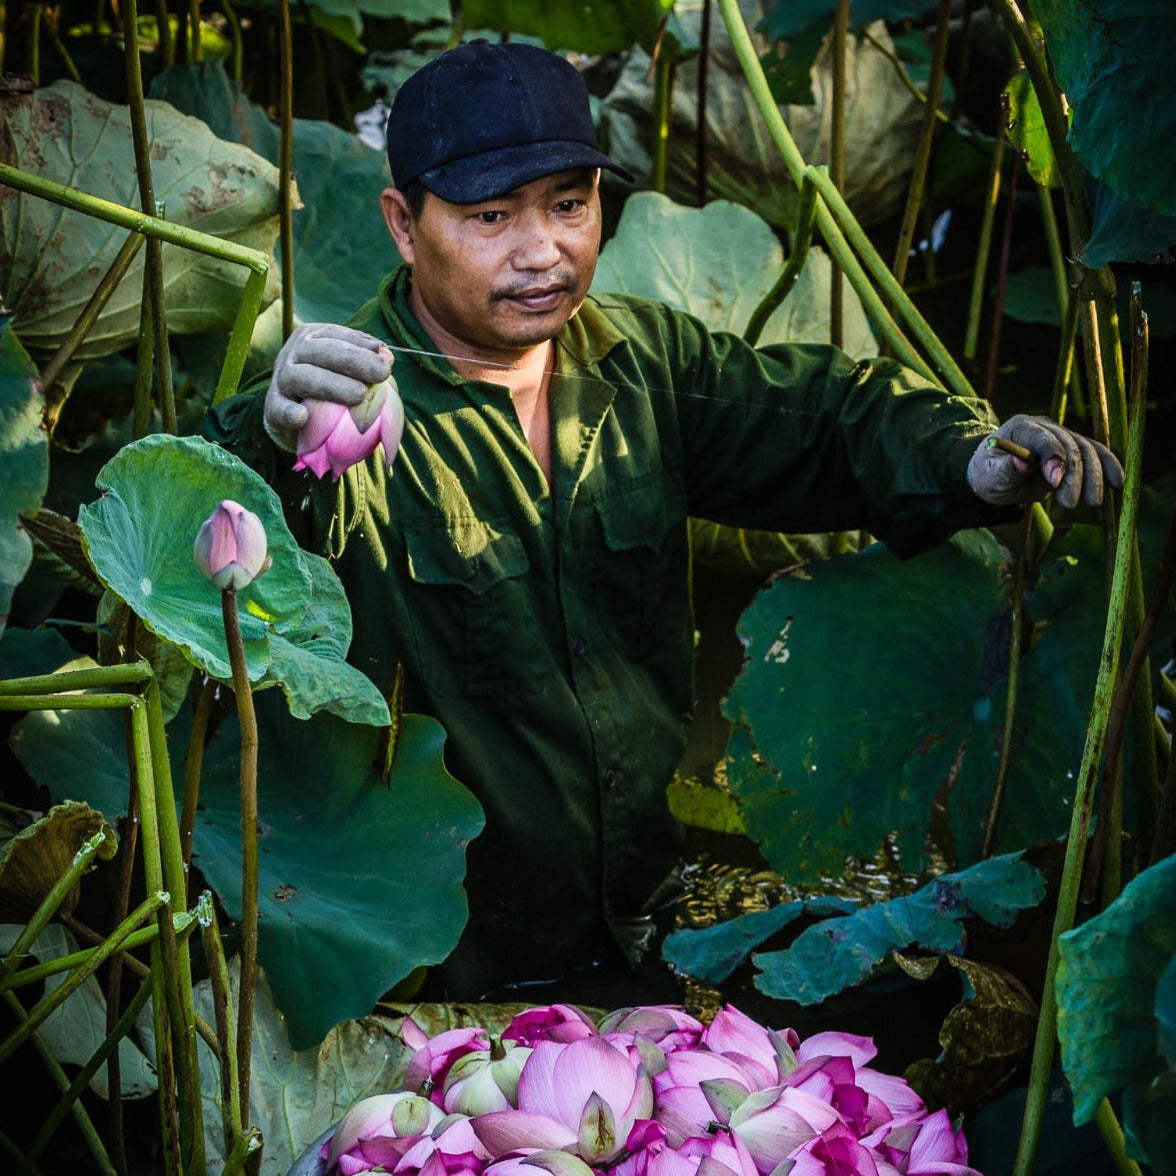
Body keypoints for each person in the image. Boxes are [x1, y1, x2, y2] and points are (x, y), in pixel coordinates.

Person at [205, 39, 1122, 1003]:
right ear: (402, 223)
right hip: (441, 968)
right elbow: (231, 536)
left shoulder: (643, 362)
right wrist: (275, 442)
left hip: (646, 926)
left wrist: (969, 457)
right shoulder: (340, 408)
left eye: (569, 204)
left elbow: (827, 421)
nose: (542, 249)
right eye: (489, 216)